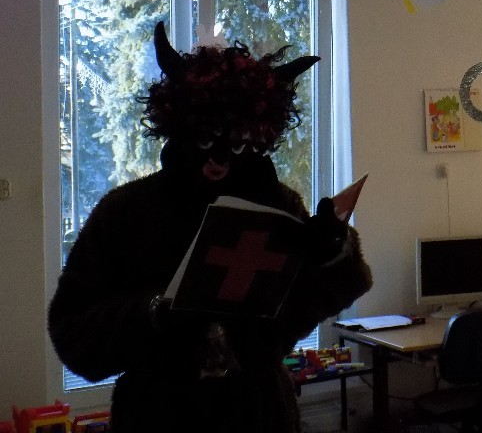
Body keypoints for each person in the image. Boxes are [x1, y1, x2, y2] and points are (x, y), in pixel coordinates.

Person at [48, 22, 373, 433]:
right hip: (159, 415)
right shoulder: (127, 211)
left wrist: (331, 253)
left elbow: (302, 312)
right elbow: (72, 331)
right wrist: (152, 313)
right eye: (205, 139)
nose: (218, 158)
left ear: (258, 138)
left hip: (259, 413)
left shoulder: (277, 205)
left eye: (235, 143)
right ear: (180, 127)